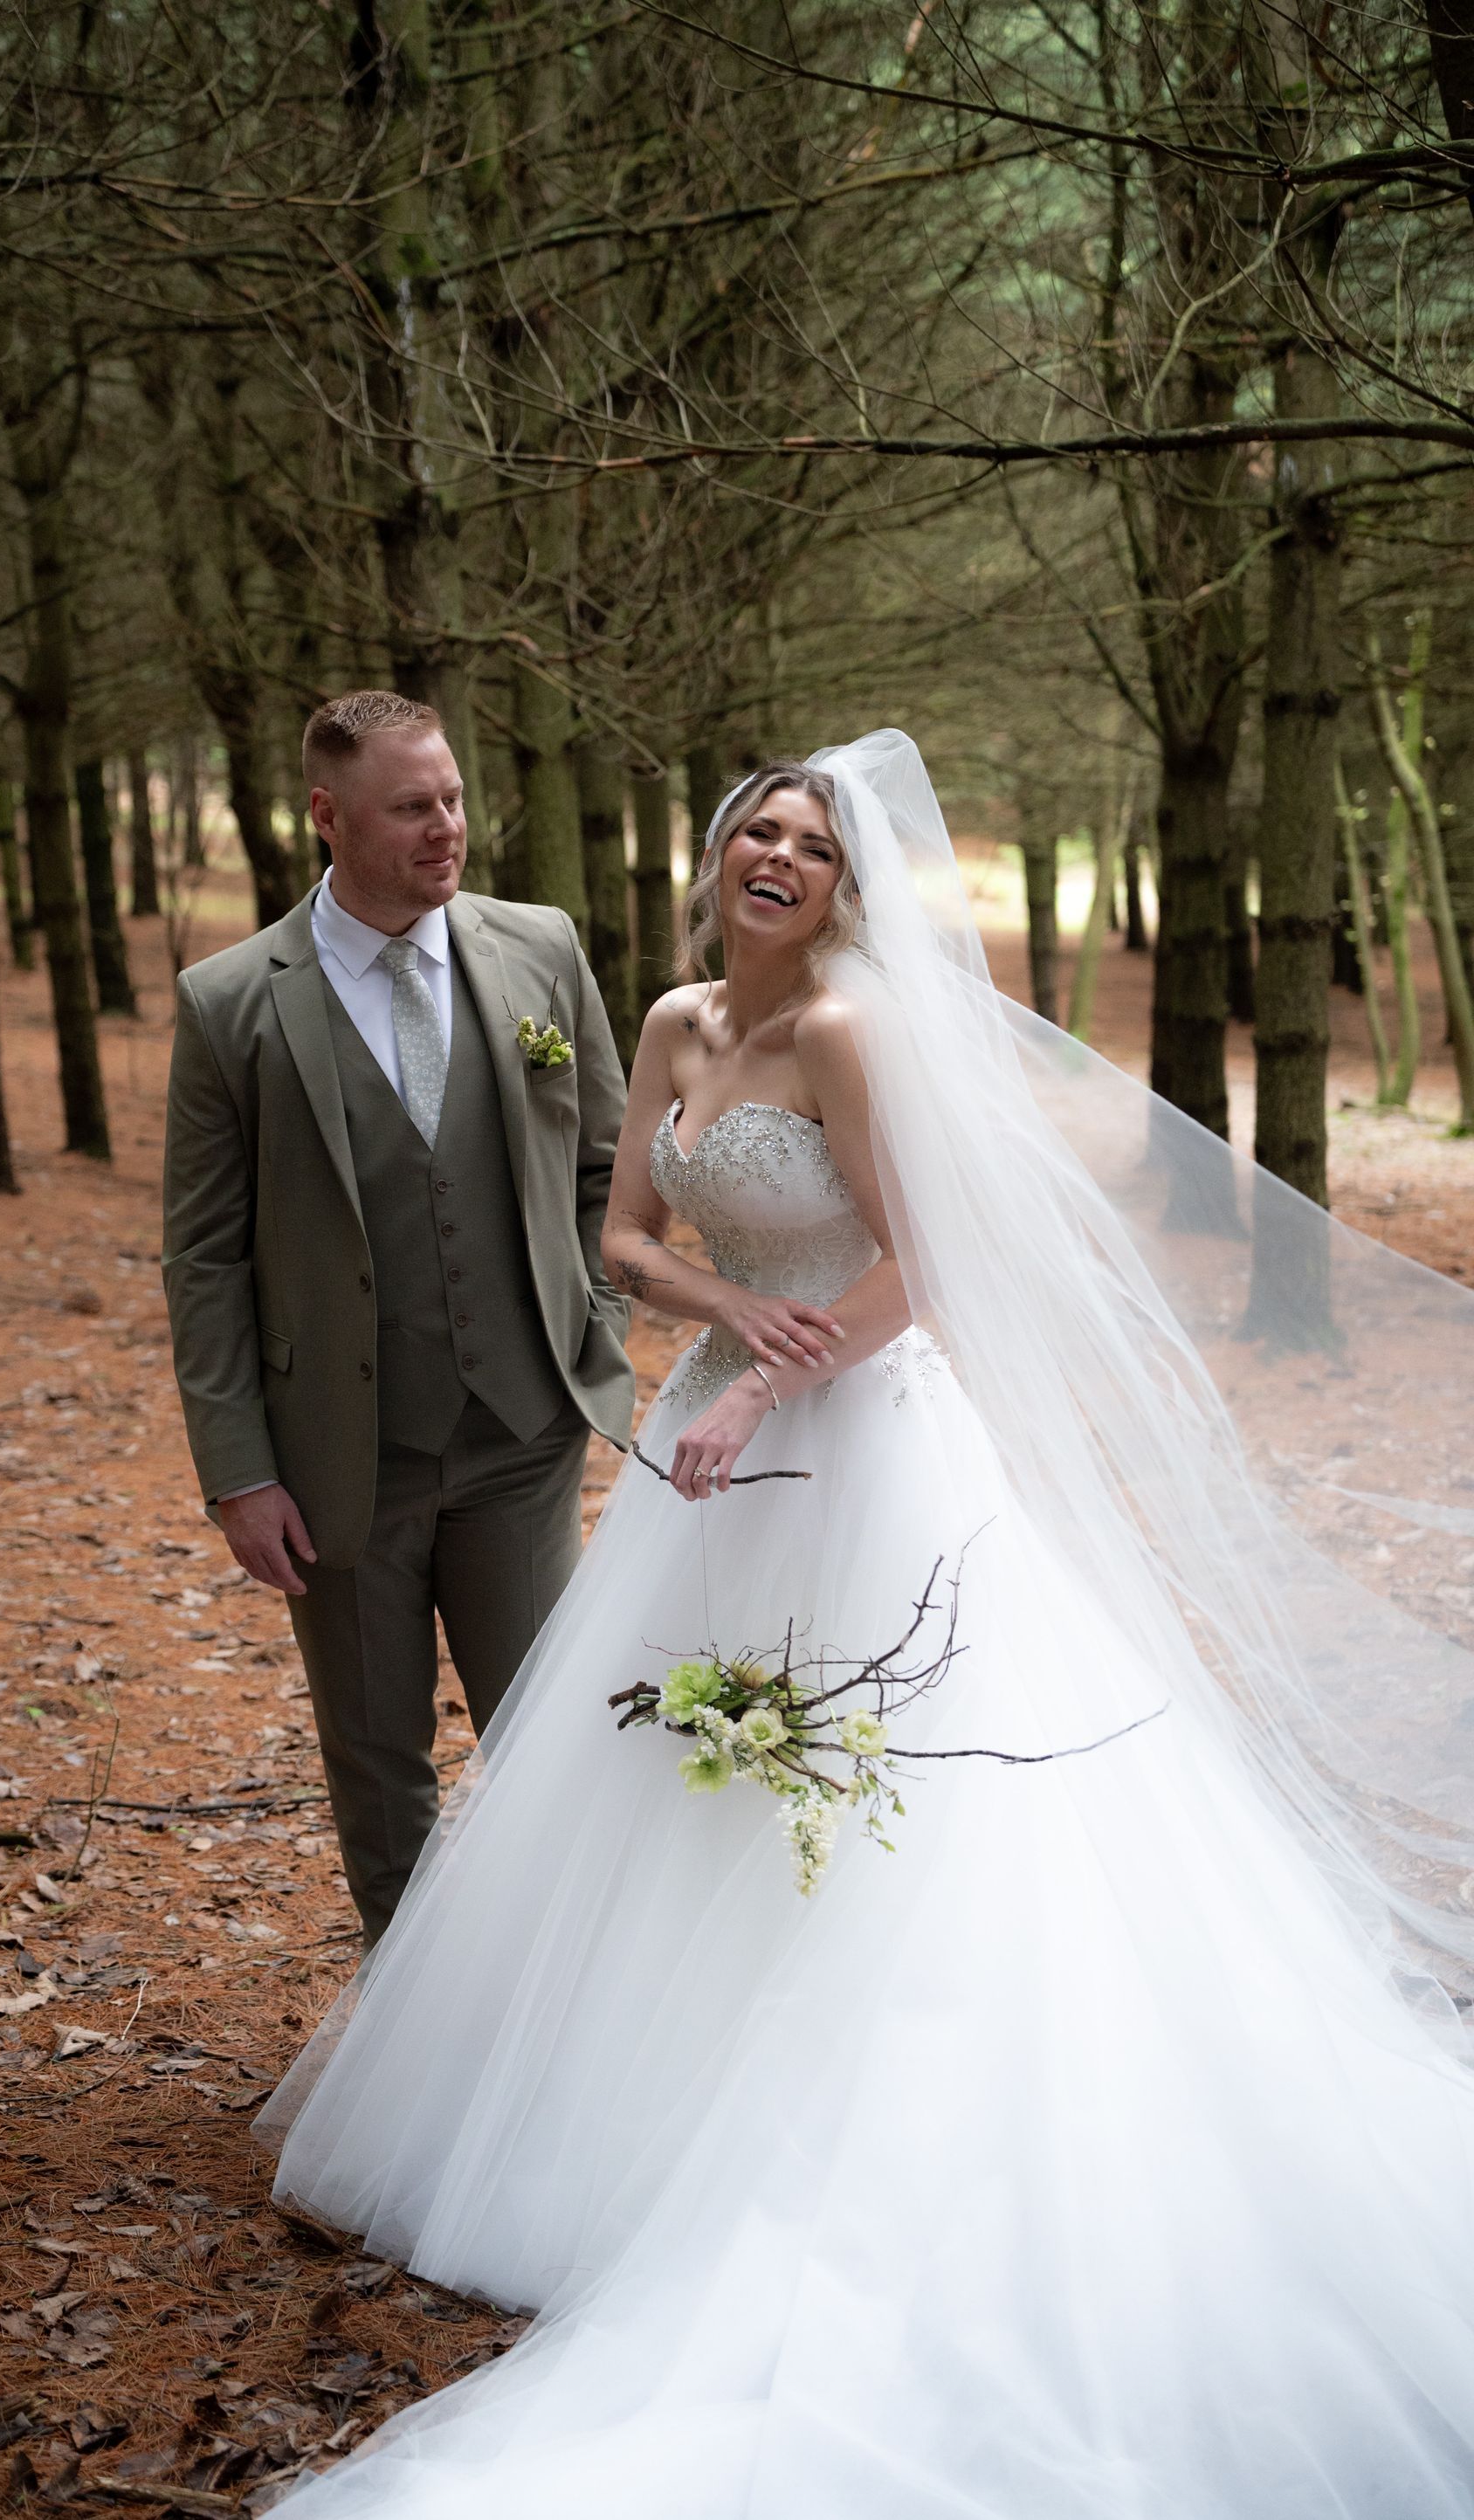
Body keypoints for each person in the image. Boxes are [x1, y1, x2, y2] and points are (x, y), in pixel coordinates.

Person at [255, 730, 1474, 2517]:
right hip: (716, 1438)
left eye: (816, 848)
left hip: (864, 1442)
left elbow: (929, 1261)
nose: (783, 859)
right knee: (685, 1788)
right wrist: (719, 1321)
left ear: (847, 890)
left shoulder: (846, 1031)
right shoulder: (673, 1023)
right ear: (722, 851)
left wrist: (775, 1380)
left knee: (888, 1791)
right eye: (763, 828)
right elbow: (621, 1233)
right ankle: (634, 2134)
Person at [161, 691, 634, 1945]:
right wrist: (239, 1470)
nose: (448, 829)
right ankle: (409, 2047)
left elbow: (606, 1162)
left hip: (522, 1436)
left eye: (455, 798)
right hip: (333, 1464)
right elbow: (202, 1254)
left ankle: (554, 2012)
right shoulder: (231, 1003)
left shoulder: (541, 948)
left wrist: (578, 1305)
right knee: (380, 1769)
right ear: (327, 815)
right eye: (411, 806)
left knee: (550, 1746)